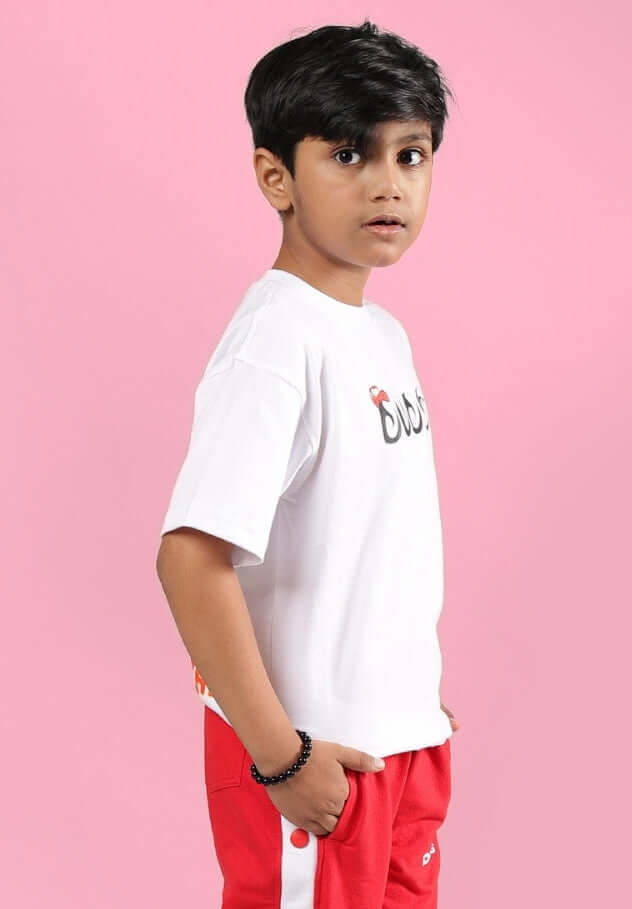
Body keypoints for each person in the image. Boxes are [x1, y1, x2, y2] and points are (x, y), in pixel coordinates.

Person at [156, 18, 460, 908]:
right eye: (349, 154)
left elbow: (367, 535)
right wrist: (281, 756)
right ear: (275, 177)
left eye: (411, 155)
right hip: (315, 756)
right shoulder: (276, 341)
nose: (388, 184)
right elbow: (189, 558)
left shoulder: (381, 334)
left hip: (401, 743)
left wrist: (409, 697)